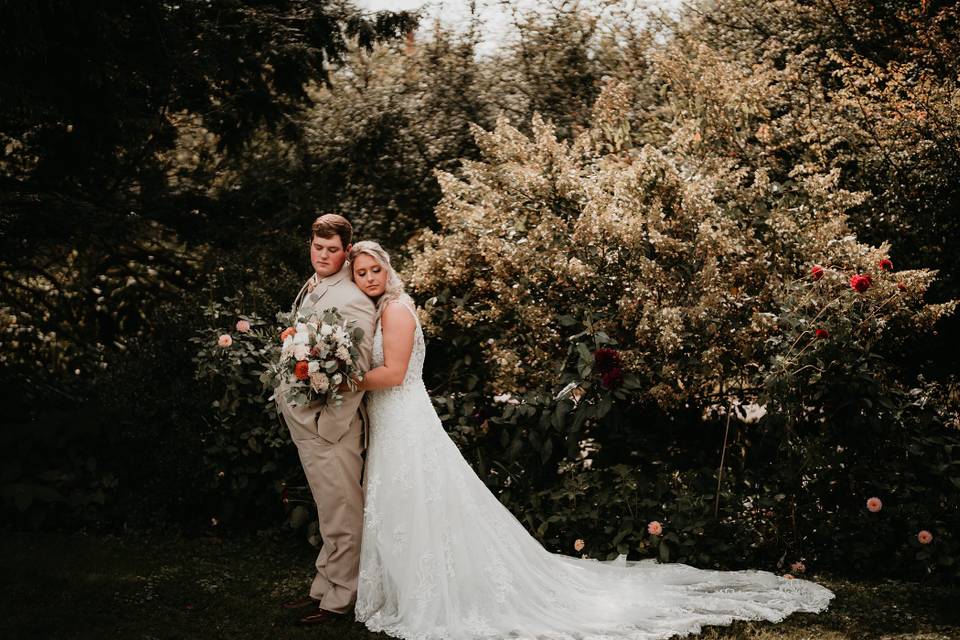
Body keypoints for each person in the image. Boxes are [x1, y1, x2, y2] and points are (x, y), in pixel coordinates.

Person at [347, 239, 835, 640]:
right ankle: (418, 586)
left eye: (375, 269)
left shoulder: (394, 311)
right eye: (361, 272)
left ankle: (433, 593)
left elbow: (391, 374)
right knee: (411, 502)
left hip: (404, 416)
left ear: (389, 270)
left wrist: (341, 379)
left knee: (418, 498)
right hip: (396, 421)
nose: (369, 277)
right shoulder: (383, 308)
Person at [275, 215, 376, 626]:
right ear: (310, 244)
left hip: (330, 429)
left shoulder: (351, 297)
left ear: (346, 251)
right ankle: (323, 588)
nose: (324, 255)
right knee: (327, 509)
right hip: (305, 422)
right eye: (318, 247)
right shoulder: (315, 285)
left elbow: (358, 369)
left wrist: (328, 427)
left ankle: (340, 600)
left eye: (333, 250)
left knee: (342, 513)